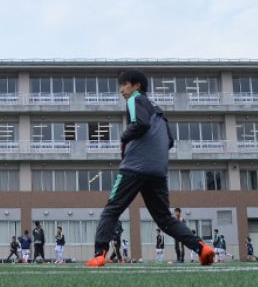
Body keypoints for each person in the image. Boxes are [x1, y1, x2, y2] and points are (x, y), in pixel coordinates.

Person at [86, 70, 215, 267]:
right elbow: (170, 141)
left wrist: (124, 138)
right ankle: (201, 248)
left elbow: (141, 124)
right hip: (157, 171)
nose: (122, 90)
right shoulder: (160, 112)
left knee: (112, 210)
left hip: (134, 168)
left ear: (137, 86)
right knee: (165, 219)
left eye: (125, 85)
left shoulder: (135, 100)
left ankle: (99, 255)